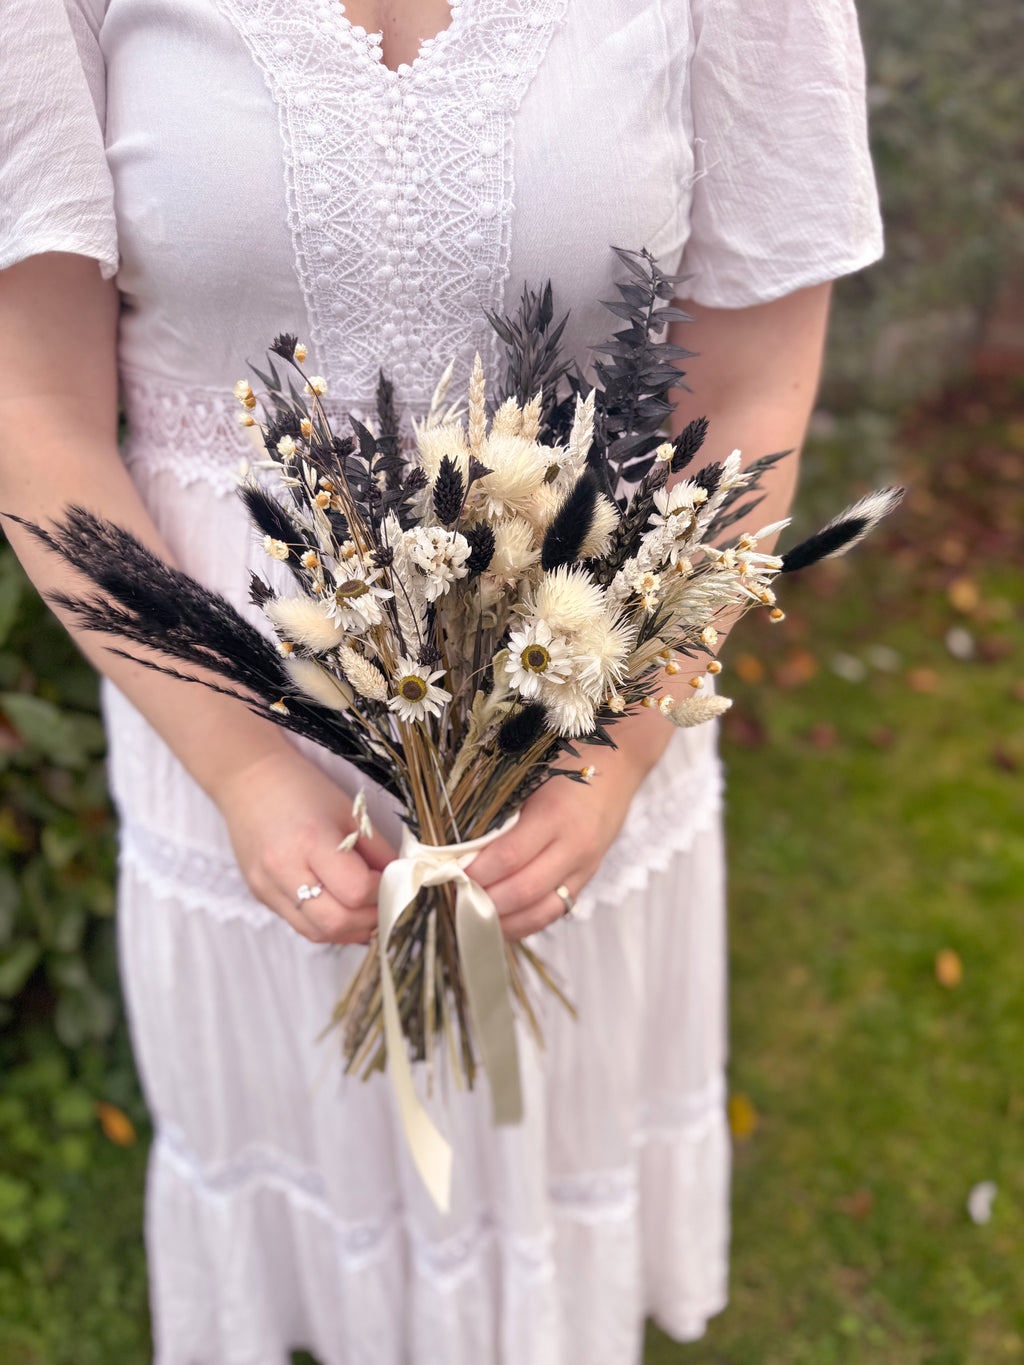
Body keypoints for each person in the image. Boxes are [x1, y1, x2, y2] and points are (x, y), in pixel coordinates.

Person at [0, 1, 883, 1360]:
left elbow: (758, 381)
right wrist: (245, 769)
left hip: (576, 742)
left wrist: (625, 752)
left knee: (533, 1171)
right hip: (218, 732)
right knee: (313, 1169)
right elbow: (34, 414)